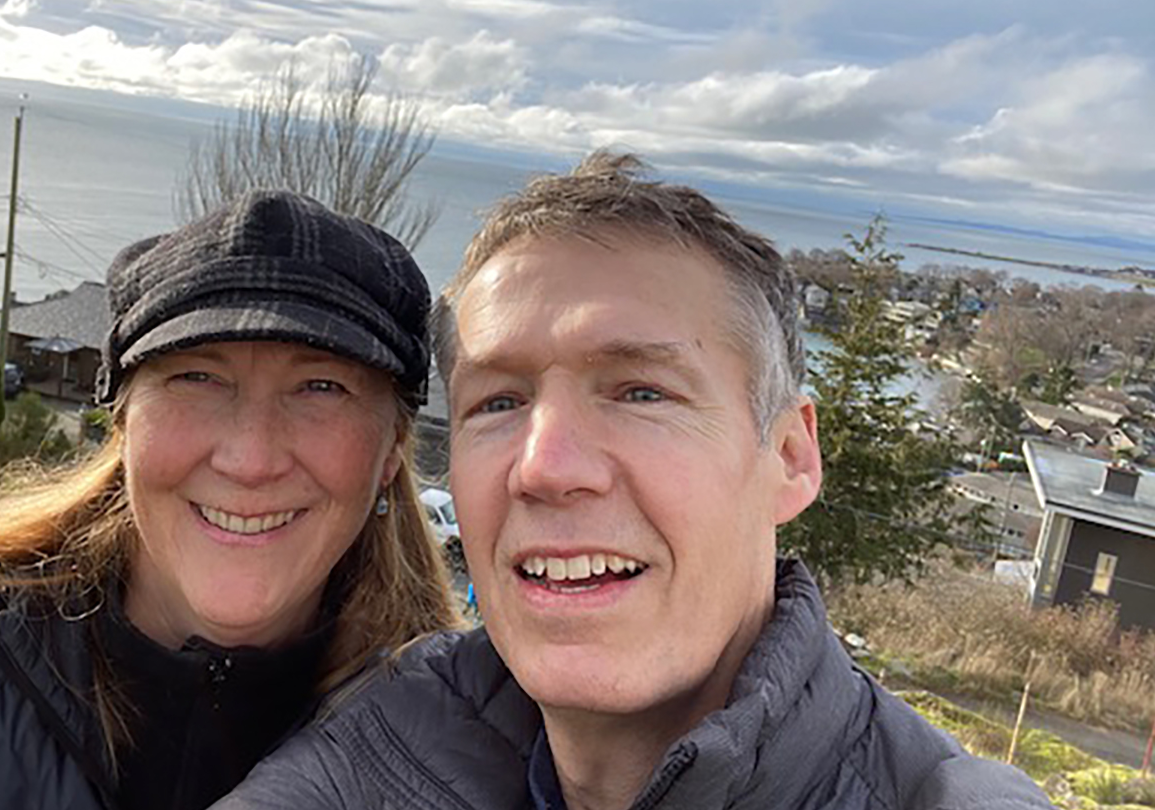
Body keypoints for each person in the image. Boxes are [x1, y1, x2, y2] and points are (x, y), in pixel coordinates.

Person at [214, 153, 1052, 810]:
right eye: (499, 401)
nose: (545, 467)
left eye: (642, 392)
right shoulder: (391, 730)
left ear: (791, 457)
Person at [0, 190, 461, 810]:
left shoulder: (458, 747)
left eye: (320, 388)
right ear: (121, 420)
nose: (249, 457)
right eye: (196, 378)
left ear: (392, 448)